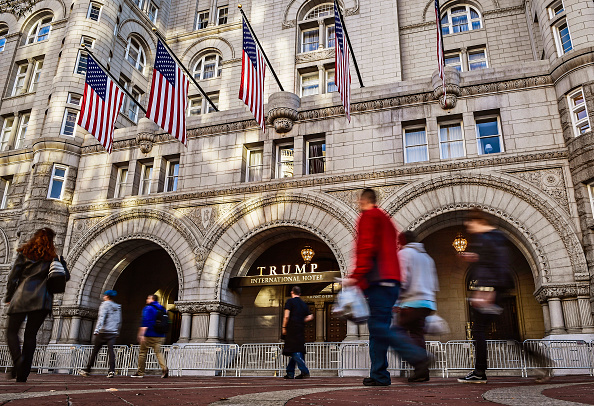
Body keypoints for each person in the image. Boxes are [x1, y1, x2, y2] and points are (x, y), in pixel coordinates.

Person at [343, 189, 430, 386]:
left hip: (379, 281)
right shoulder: (386, 220)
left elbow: (366, 248)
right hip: (391, 281)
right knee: (376, 329)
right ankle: (379, 374)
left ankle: (416, 356)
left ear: (364, 200)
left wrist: (355, 277)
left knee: (379, 327)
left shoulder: (369, 216)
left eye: (359, 200)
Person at [4, 228, 69, 382]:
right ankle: (23, 373)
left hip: (22, 297)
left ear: (35, 238)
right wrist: (61, 265)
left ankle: (17, 360)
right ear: (51, 241)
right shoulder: (54, 258)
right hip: (43, 301)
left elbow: (13, 277)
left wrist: (9, 296)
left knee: (12, 332)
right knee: (30, 335)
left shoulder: (24, 253)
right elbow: (64, 277)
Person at [457, 209, 511, 384]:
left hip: (490, 290)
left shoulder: (488, 237)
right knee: (503, 332)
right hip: (492, 289)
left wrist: (487, 290)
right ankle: (479, 371)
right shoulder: (492, 237)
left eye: (470, 225)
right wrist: (476, 257)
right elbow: (491, 261)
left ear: (476, 221)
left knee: (479, 329)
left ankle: (479, 371)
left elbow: (498, 263)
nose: (470, 229)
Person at [396, 231, 439, 349]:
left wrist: (396, 301)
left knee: (396, 332)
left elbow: (403, 280)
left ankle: (420, 359)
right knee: (417, 334)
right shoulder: (427, 257)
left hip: (412, 303)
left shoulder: (404, 253)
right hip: (427, 304)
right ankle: (422, 366)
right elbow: (434, 284)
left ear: (402, 241)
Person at [79, 290, 122, 378]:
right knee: (111, 351)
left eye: (105, 295)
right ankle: (111, 370)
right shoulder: (118, 307)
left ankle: (88, 369)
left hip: (103, 332)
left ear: (107, 296)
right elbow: (119, 320)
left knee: (95, 351)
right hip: (113, 332)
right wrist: (117, 331)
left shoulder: (104, 305)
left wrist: (97, 330)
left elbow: (102, 317)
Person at [131, 295, 169, 378]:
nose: (146, 299)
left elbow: (145, 322)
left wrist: (141, 334)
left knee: (142, 353)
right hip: (161, 335)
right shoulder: (163, 308)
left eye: (148, 298)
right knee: (158, 352)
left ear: (152, 299)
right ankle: (164, 368)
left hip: (149, 334)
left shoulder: (148, 308)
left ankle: (140, 372)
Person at [282, 286, 314, 379]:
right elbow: (310, 316)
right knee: (296, 350)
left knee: (294, 351)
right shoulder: (303, 304)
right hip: (300, 329)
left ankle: (304, 371)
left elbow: (286, 316)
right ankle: (290, 372)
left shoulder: (290, 301)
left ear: (292, 292)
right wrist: (301, 320)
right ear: (299, 294)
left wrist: (284, 327)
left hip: (291, 328)